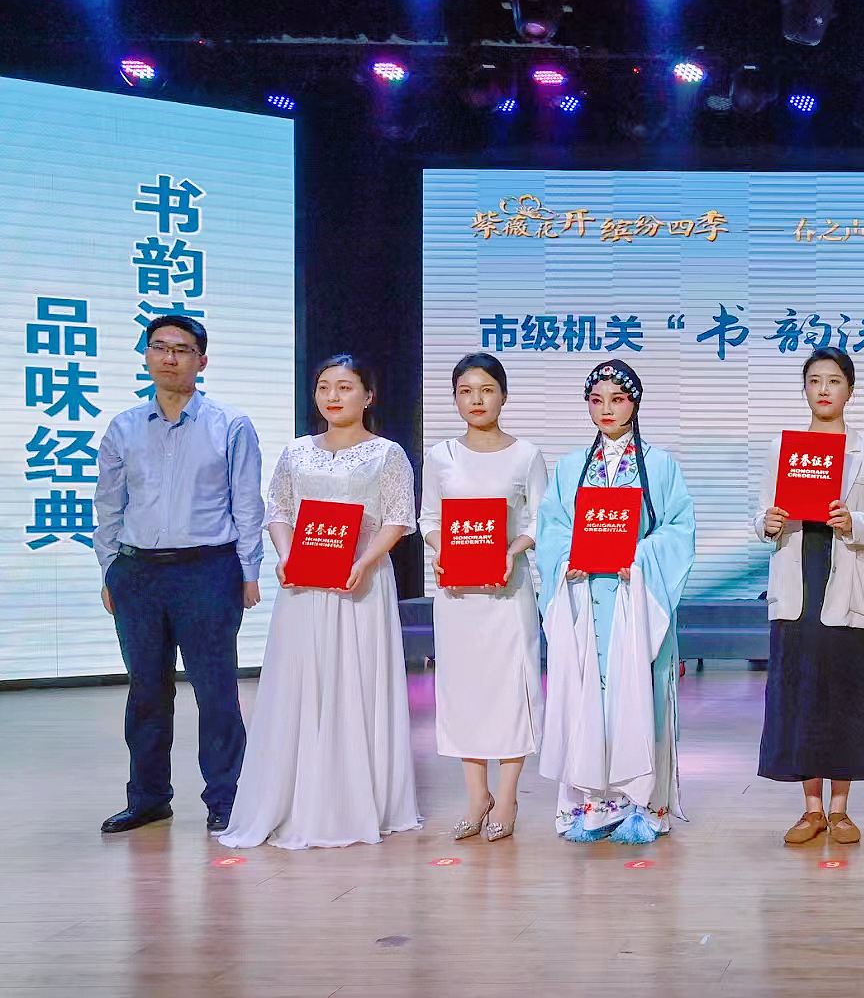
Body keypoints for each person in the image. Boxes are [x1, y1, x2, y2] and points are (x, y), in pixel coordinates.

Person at [219, 354, 421, 850]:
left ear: (368, 396)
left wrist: (365, 561)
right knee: (301, 682)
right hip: (305, 587)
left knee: (357, 681)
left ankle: (353, 801)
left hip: (360, 583)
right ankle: (292, 799)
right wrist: (287, 556)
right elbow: (279, 510)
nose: (333, 396)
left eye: (345, 387)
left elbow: (399, 518)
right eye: (324, 386)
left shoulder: (387, 454)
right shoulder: (296, 452)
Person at [95, 315, 266, 834]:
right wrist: (109, 568)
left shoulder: (230, 425)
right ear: (146, 356)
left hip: (208, 570)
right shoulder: (123, 427)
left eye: (182, 349)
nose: (169, 358)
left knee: (216, 690)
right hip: (137, 573)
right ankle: (148, 798)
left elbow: (247, 504)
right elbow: (109, 504)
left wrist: (249, 571)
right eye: (159, 347)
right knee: (146, 691)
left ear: (202, 361)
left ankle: (226, 797)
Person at [535, 359, 695, 843]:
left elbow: (678, 530)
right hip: (587, 600)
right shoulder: (570, 468)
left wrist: (640, 558)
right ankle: (591, 804)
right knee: (588, 696)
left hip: (636, 599)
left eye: (617, 399)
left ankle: (644, 804)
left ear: (635, 403)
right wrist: (567, 562)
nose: (606, 409)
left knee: (639, 695)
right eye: (596, 400)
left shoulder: (660, 465)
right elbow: (552, 530)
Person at [756, 349, 864, 846]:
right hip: (798, 584)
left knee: (844, 694)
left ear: (850, 390)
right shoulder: (784, 449)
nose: (823, 389)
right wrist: (767, 522)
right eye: (815, 380)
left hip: (848, 585)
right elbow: (762, 514)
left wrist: (854, 522)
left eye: (834, 381)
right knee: (800, 695)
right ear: (804, 389)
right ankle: (811, 808)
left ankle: (840, 809)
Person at [419, 353, 549, 843]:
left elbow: (542, 519)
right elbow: (429, 518)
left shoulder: (526, 455)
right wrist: (442, 550)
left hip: (507, 592)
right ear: (455, 398)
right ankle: (477, 796)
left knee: (511, 690)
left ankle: (508, 795)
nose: (476, 400)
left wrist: (513, 551)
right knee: (464, 692)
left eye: (486, 389)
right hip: (457, 595)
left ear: (503, 395)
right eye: (465, 391)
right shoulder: (441, 456)